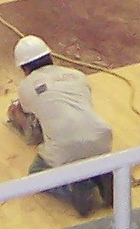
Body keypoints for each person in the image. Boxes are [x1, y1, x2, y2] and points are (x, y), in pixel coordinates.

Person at [8, 35, 115, 217]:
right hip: (102, 138)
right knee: (87, 152)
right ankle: (101, 174)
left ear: (24, 68)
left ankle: (74, 186)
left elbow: (25, 116)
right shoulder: (77, 75)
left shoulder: (26, 86)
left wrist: (14, 112)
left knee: (36, 174)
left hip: (67, 146)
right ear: (50, 56)